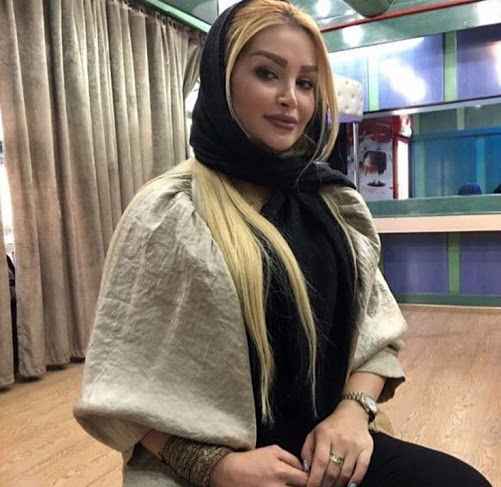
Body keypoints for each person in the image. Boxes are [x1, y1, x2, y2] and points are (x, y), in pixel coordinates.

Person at [74, 1, 492, 486]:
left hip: (328, 449)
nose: (290, 98)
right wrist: (215, 466)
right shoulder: (168, 211)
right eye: (267, 73)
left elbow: (376, 333)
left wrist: (352, 412)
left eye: (306, 83)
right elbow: (122, 384)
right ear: (222, 80)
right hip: (217, 467)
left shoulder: (334, 204)